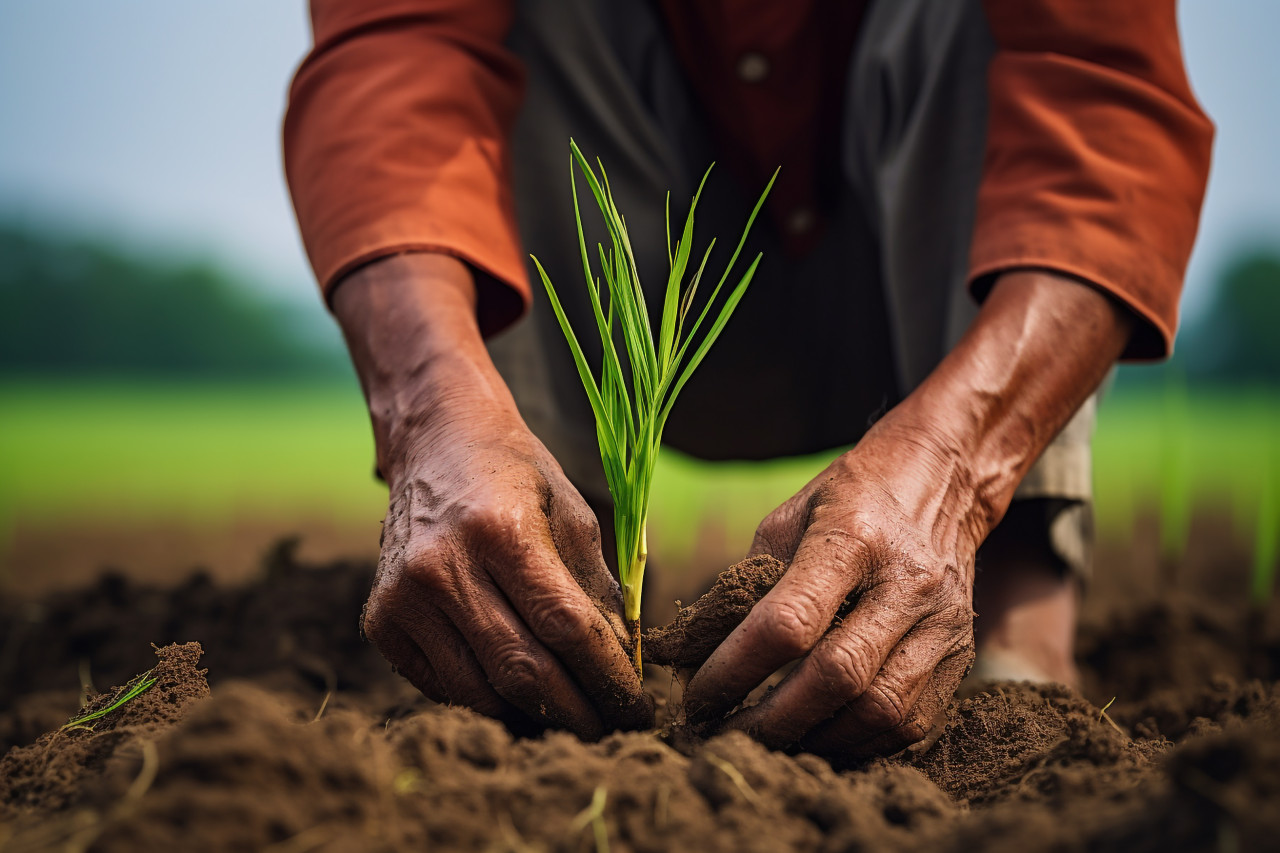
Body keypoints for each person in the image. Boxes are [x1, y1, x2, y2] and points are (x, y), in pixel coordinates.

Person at [283, 0, 1212, 754]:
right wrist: (429, 416)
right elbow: (396, 58)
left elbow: (1103, 97)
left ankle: (1011, 627)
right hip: (640, 250)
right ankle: (547, 591)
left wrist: (956, 473)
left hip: (922, 260)